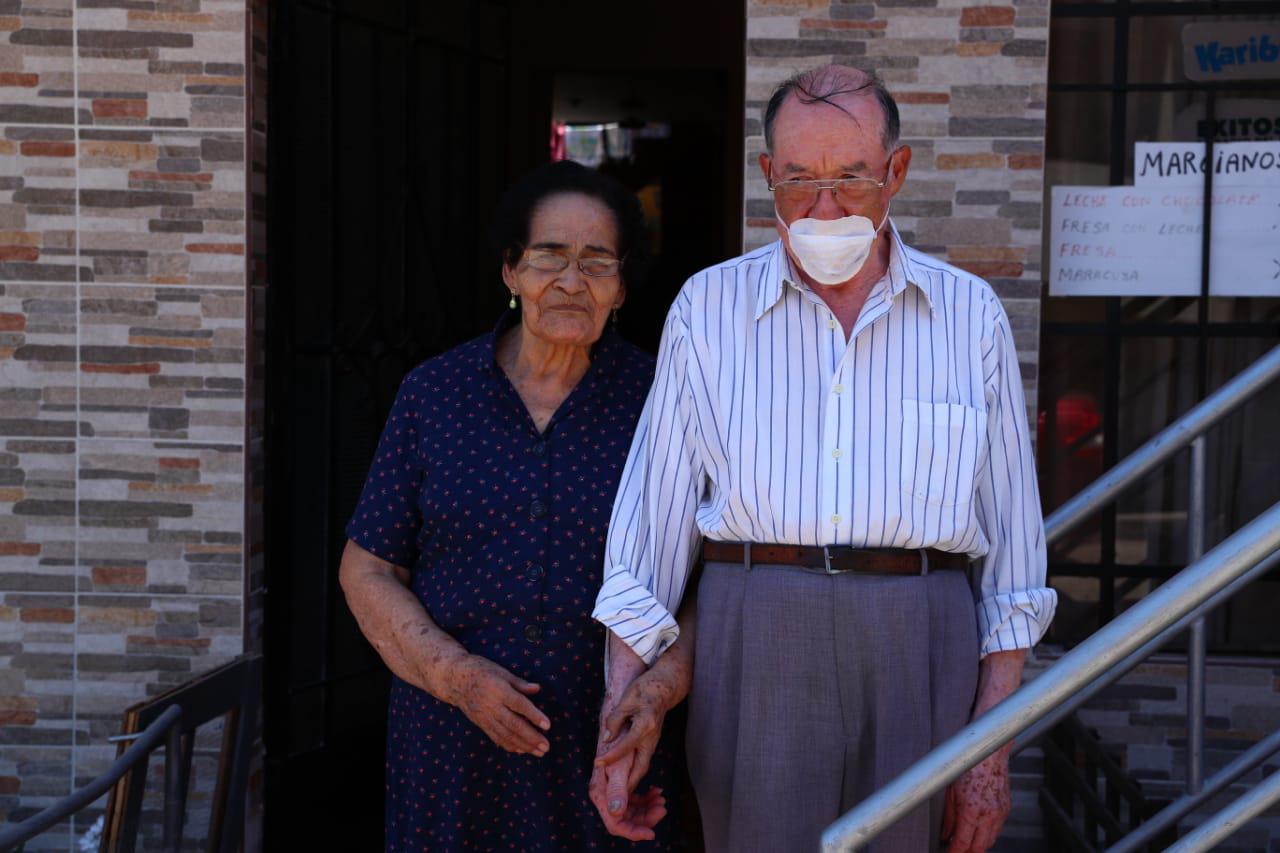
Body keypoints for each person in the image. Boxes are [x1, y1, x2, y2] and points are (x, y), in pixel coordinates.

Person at [590, 65, 1058, 853]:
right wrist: (621, 711)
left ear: (897, 172)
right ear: (767, 176)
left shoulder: (968, 314)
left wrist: (992, 748)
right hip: (756, 627)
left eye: (851, 179)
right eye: (800, 181)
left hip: (922, 634)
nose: (825, 208)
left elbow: (1014, 554)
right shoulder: (708, 308)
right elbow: (651, 523)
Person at [340, 160, 687, 852]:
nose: (570, 281)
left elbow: (712, 582)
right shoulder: (434, 394)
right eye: (549, 257)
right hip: (451, 740)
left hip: (608, 743)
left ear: (621, 287)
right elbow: (367, 568)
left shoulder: (666, 402)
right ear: (510, 271)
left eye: (597, 263)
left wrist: (655, 696)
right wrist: (454, 675)